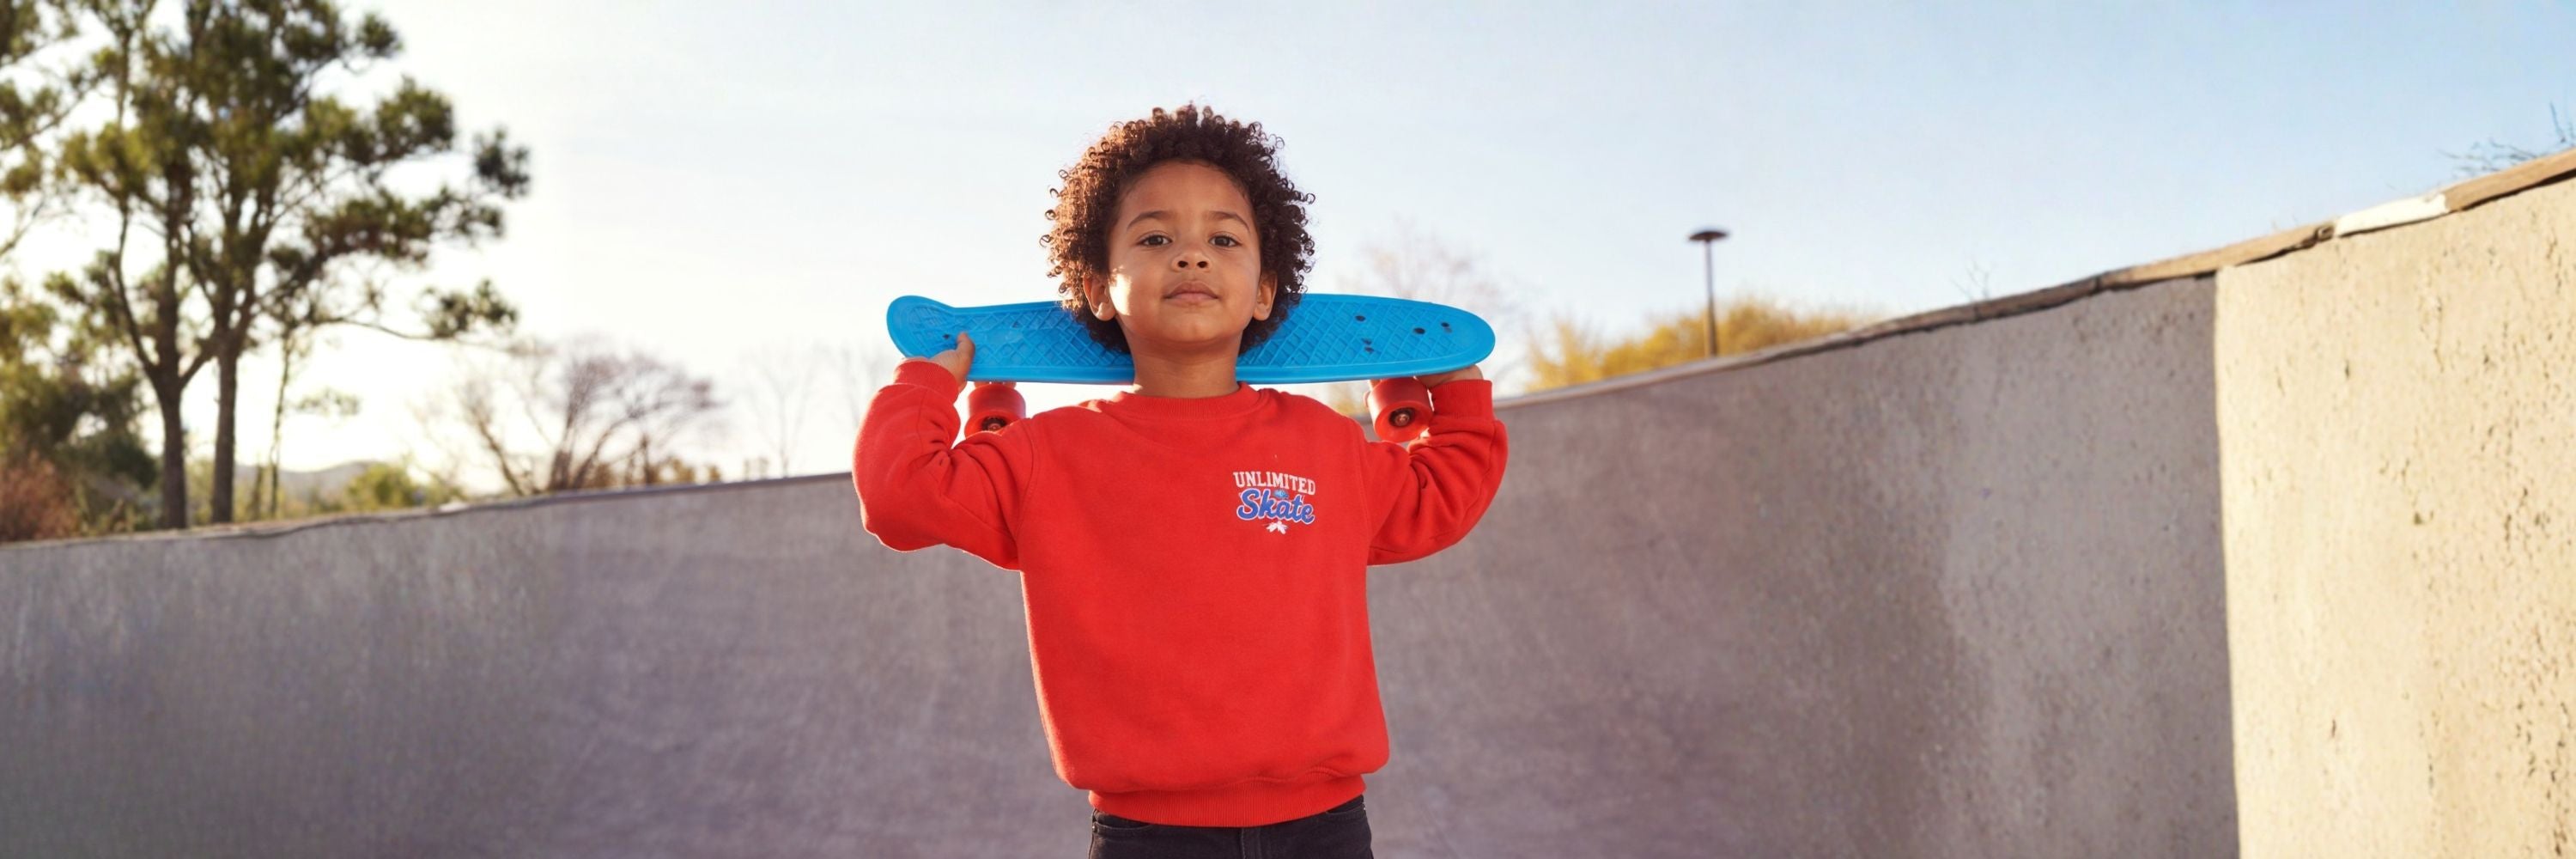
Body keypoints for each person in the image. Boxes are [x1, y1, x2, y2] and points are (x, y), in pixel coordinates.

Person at [854, 104, 1508, 859]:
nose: (1191, 256)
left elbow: (1439, 495)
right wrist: (928, 387)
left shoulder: (1322, 445)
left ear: (1265, 291)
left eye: (1224, 239)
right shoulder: (1046, 457)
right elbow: (898, 495)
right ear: (1098, 288)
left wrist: (1443, 394)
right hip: (1148, 839)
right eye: (1156, 238)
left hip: (1324, 830)